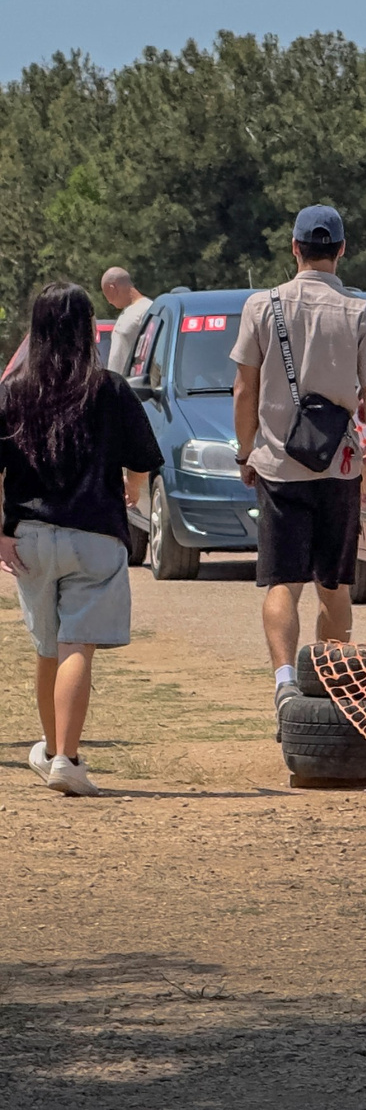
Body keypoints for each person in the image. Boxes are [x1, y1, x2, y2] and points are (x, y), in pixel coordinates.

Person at [2, 283, 164, 795]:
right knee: (77, 647)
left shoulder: (13, 390)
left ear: (37, 328)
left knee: (47, 647)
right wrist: (131, 492)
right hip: (95, 535)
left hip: (28, 537)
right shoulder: (109, 388)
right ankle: (67, 761)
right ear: (88, 328)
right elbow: (142, 461)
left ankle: (50, 750)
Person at [232, 207, 366, 717]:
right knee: (335, 585)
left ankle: (284, 682)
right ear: (342, 250)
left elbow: (244, 389)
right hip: (339, 467)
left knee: (283, 582)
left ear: (294, 247)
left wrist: (245, 450)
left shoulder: (262, 306)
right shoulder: (364, 313)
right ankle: (331, 687)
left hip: (278, 463)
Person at [101, 268, 153, 377]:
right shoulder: (128, 311)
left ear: (112, 288)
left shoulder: (147, 309)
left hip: (132, 383)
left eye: (106, 295)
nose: (108, 302)